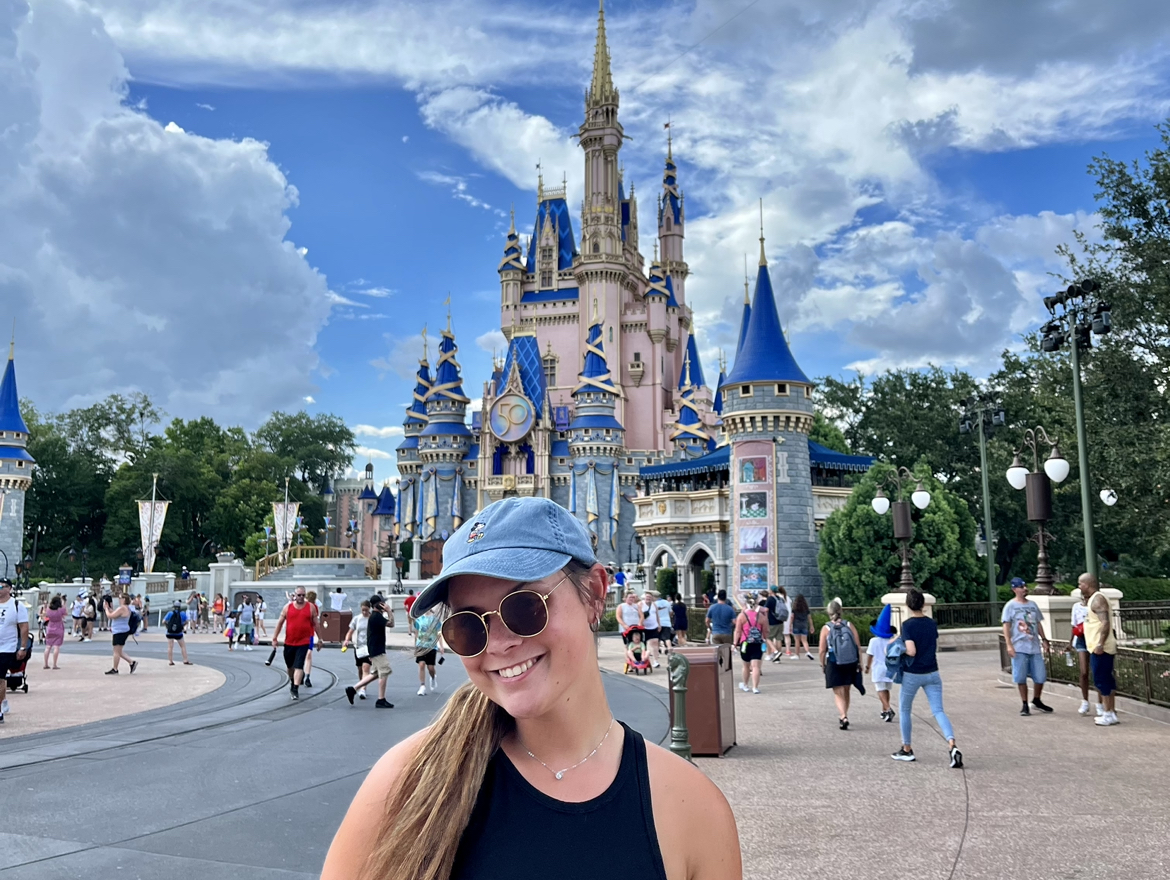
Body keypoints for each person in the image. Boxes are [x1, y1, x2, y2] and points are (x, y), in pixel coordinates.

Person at [321, 496, 741, 880]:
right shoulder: (406, 782)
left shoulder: (691, 809)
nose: (500, 643)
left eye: (525, 606)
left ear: (595, 594)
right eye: (468, 625)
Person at [893, 588, 962, 767]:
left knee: (905, 710)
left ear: (908, 605)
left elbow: (911, 650)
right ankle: (952, 744)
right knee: (938, 710)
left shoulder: (907, 625)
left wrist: (899, 648)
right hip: (933, 671)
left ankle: (906, 749)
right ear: (923, 604)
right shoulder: (932, 623)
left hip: (913, 673)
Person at [1001, 577, 1052, 716]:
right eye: (1021, 587)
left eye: (1025, 586)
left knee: (1040, 676)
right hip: (1019, 645)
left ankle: (1037, 699)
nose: (1024, 589)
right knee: (1021, 677)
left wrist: (1044, 639)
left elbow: (1038, 622)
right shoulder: (1010, 606)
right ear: (1014, 589)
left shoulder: (1033, 605)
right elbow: (1006, 625)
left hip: (1034, 645)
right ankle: (1024, 703)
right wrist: (1009, 645)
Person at [1080, 573, 1120, 727]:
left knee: (1101, 680)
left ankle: (1108, 712)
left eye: (1080, 584)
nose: (1079, 587)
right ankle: (1110, 712)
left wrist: (1100, 644)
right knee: (1105, 679)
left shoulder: (1097, 599)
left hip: (1101, 648)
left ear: (1087, 584)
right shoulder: (1093, 600)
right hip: (1097, 646)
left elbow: (1105, 623)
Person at [345, 595, 394, 708]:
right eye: (382, 603)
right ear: (378, 604)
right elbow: (391, 624)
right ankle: (381, 699)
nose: (384, 605)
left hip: (374, 649)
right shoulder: (376, 616)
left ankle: (353, 689)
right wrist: (389, 611)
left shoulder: (375, 616)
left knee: (376, 673)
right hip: (377, 649)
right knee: (385, 671)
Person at [819, 598, 860, 729]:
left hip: (834, 661)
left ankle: (843, 716)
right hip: (850, 661)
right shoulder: (849, 625)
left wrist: (822, 664)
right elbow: (857, 645)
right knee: (846, 689)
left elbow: (821, 650)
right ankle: (845, 713)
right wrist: (859, 662)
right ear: (840, 611)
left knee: (837, 691)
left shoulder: (826, 628)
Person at [273, 588, 317, 700]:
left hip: (304, 642)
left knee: (299, 665)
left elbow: (316, 624)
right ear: (295, 595)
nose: (301, 597)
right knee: (290, 666)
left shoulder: (310, 607)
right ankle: (293, 681)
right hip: (289, 642)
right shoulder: (287, 608)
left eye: (303, 595)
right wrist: (275, 638)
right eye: (299, 595)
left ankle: (295, 688)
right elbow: (280, 623)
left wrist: (320, 639)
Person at [0, 578, 31, 724]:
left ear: (9, 589)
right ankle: (3, 699)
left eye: (2, 586)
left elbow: (24, 627)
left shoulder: (17, 606)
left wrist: (22, 647)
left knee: (0, 678)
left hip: (7, 647)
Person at [865, 605, 897, 722]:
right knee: (886, 689)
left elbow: (870, 655)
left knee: (880, 689)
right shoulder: (891, 641)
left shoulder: (873, 641)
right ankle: (884, 711)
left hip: (878, 668)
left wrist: (867, 667)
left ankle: (888, 709)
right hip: (889, 668)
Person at [734, 595, 768, 694]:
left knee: (745, 666)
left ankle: (745, 685)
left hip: (745, 643)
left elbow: (737, 631)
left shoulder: (741, 616)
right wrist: (764, 639)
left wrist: (735, 643)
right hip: (757, 643)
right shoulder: (761, 616)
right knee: (756, 666)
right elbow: (765, 631)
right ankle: (755, 687)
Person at [343, 600, 372, 699]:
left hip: (368, 647)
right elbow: (350, 631)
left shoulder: (372, 619)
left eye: (366, 610)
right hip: (358, 647)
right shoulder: (357, 619)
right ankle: (361, 685)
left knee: (366, 668)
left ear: (369, 609)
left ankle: (363, 689)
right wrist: (347, 640)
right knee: (360, 668)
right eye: (363, 610)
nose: (364, 612)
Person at [1070, 590, 1093, 715]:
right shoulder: (1076, 607)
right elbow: (1074, 625)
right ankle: (1085, 700)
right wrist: (1070, 642)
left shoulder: (1095, 605)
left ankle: (1100, 703)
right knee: (1084, 671)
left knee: (1096, 671)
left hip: (1093, 638)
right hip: (1081, 638)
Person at [413, 607, 444, 696]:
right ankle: (422, 686)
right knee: (421, 664)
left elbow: (439, 633)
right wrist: (415, 646)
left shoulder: (435, 620)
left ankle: (433, 677)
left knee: (430, 667)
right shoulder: (419, 619)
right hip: (421, 646)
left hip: (431, 646)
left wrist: (441, 646)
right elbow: (416, 633)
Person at [106, 594, 139, 675]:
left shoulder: (123, 608)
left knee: (116, 651)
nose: (119, 599)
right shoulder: (127, 608)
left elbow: (110, 616)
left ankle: (115, 668)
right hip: (122, 630)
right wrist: (110, 609)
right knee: (119, 651)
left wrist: (106, 609)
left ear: (124, 599)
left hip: (119, 631)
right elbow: (114, 614)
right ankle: (131, 662)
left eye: (120, 598)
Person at [164, 600, 193, 665]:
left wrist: (168, 626)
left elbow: (164, 621)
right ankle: (185, 660)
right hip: (178, 633)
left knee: (170, 647)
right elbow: (187, 621)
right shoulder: (182, 613)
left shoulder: (170, 613)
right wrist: (181, 626)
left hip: (170, 632)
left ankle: (170, 661)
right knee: (183, 646)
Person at [764, 587, 789, 662]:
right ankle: (777, 658)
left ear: (771, 591)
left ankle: (771, 654)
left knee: (768, 638)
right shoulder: (780, 598)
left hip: (772, 622)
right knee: (779, 639)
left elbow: (766, 610)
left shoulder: (770, 599)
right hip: (780, 621)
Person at [43, 595, 66, 670]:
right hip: (59, 627)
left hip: (50, 627)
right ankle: (54, 664)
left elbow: (45, 614)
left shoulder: (49, 610)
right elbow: (66, 613)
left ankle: (46, 664)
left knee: (48, 646)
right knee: (56, 647)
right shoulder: (60, 610)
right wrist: (63, 602)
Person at [640, 590, 662, 668]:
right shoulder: (640, 604)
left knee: (655, 642)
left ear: (652, 598)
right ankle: (644, 660)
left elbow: (657, 615)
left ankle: (656, 661)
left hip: (653, 626)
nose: (648, 598)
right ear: (644, 597)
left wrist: (659, 624)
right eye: (647, 597)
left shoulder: (654, 605)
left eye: (650, 597)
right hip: (644, 627)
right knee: (643, 645)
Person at [790, 593, 813, 659]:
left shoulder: (794, 608)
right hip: (804, 625)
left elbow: (792, 617)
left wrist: (790, 625)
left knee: (797, 641)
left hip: (796, 625)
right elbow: (809, 618)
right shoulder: (806, 609)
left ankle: (797, 655)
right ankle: (808, 652)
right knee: (804, 640)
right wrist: (811, 626)